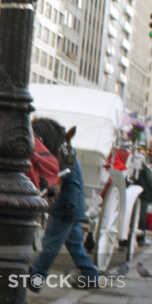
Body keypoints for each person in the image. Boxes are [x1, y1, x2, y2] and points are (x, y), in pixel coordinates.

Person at [30, 118, 102, 290]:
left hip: (66, 207)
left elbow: (72, 183)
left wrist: (68, 205)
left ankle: (36, 279)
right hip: (70, 206)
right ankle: (90, 275)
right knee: (74, 244)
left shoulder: (64, 154)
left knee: (50, 244)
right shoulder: (66, 151)